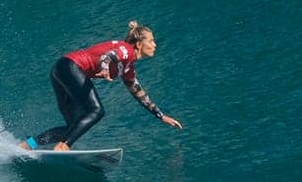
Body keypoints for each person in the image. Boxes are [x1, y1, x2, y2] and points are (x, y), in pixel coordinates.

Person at [19, 21, 182, 151]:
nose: (155, 45)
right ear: (139, 43)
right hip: (71, 68)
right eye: (151, 41)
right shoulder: (126, 50)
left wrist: (160, 116)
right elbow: (109, 55)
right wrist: (104, 69)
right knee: (96, 111)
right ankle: (63, 146)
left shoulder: (128, 67)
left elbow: (138, 93)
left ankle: (29, 145)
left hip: (61, 69)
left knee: (73, 126)